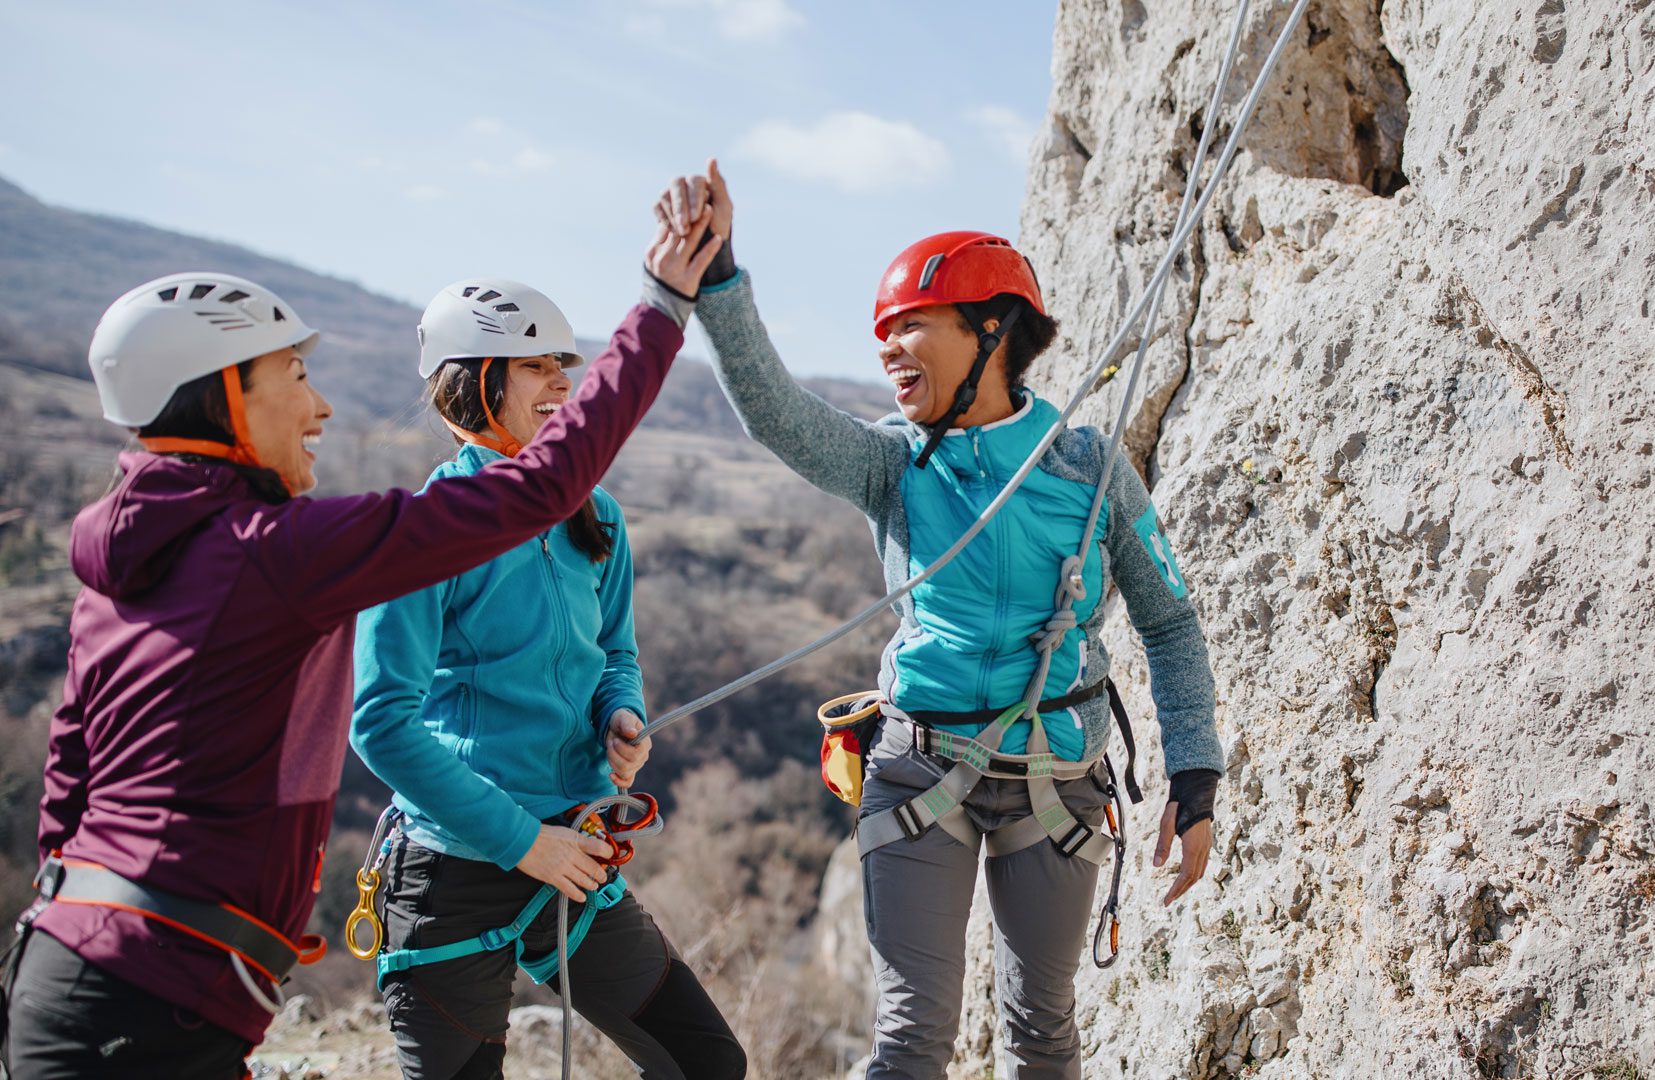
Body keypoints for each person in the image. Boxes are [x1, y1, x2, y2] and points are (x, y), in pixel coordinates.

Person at [4, 217, 723, 1079]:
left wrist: (619, 706)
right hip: (162, 979)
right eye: (295, 375)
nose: (322, 405)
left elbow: (68, 777)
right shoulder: (273, 550)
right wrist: (661, 306)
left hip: (96, 963)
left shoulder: (123, 574)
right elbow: (525, 502)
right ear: (227, 394)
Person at [657, 162, 1223, 1080]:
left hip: (1056, 777)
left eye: (911, 325)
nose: (888, 349)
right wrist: (720, 283)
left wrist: (1194, 774)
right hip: (922, 766)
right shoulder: (894, 466)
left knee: (1041, 1030)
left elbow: (1169, 622)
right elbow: (774, 415)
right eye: (883, 333)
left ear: (990, 331)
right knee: (912, 1036)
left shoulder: (1087, 469)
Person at [349, 275, 746, 1080]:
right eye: (536, 365)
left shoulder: (596, 516)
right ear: (473, 384)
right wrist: (525, 843)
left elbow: (616, 653)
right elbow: (380, 723)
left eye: (564, 363)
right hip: (456, 871)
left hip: (572, 849)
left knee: (708, 1064)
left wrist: (621, 714)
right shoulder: (427, 530)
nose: (566, 382)